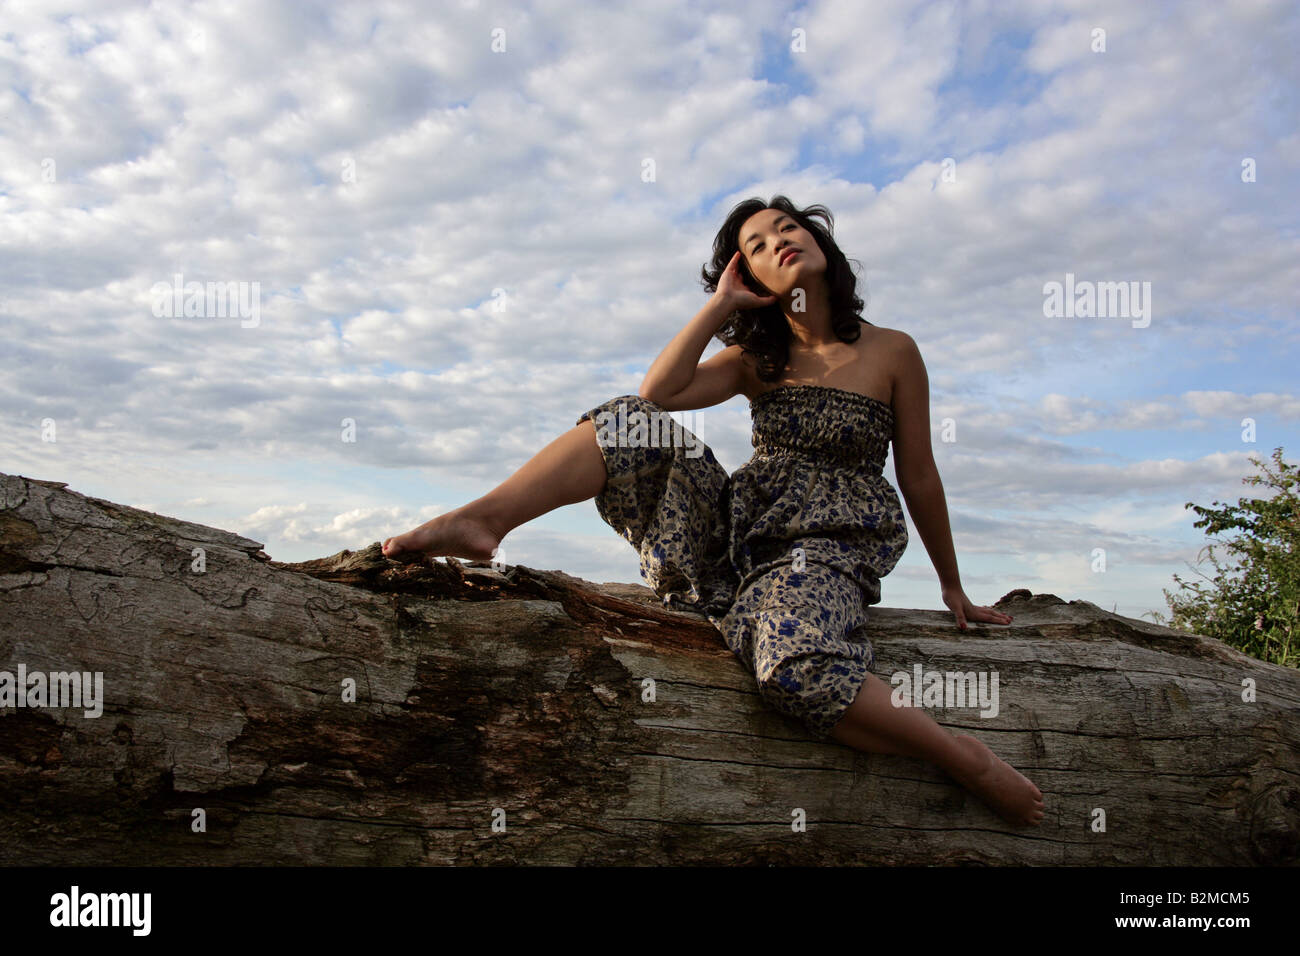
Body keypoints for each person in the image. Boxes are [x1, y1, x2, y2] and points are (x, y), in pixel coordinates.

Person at [382, 196, 1045, 827]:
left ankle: (964, 756)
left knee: (794, 667)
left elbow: (919, 473)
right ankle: (485, 521)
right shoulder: (757, 359)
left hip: (821, 551)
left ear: (820, 243)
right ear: (747, 274)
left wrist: (951, 585)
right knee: (629, 422)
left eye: (788, 228)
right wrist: (720, 305)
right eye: (756, 245)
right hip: (733, 539)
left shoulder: (893, 351)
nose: (778, 241)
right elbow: (659, 391)